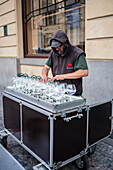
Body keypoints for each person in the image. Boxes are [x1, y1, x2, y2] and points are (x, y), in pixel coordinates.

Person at [40, 30, 88, 96]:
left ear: (65, 44)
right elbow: (46, 67)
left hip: (73, 94)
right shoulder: (53, 53)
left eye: (58, 46)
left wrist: (64, 76)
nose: (56, 49)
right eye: (55, 47)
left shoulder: (77, 53)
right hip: (58, 92)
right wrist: (44, 75)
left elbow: (84, 72)